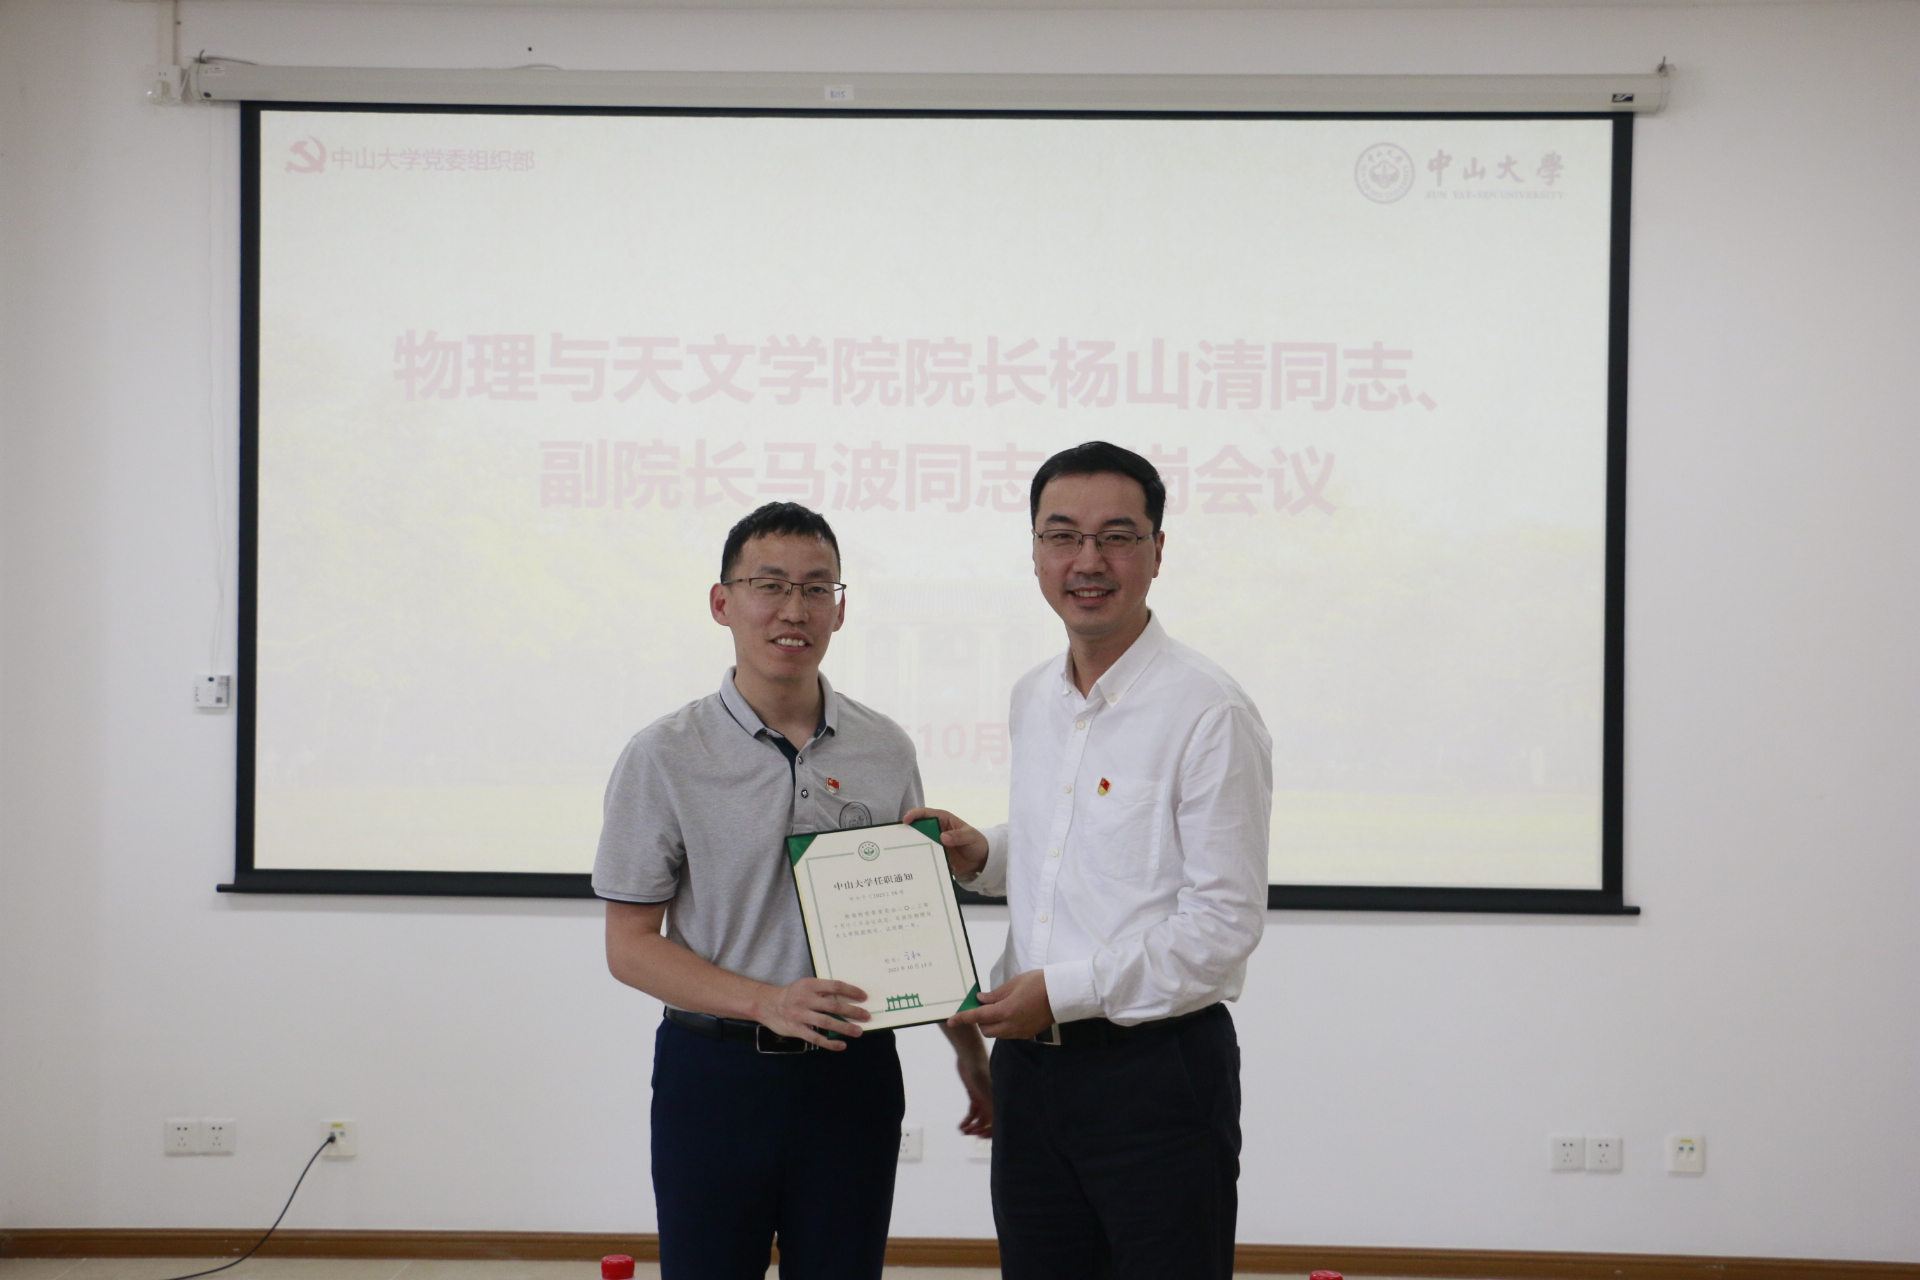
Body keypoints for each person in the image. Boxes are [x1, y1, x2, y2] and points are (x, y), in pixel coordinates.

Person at [594, 501, 992, 1280]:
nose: (794, 609)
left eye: (816, 588)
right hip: (715, 1076)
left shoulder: (884, 747)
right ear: (723, 602)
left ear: (839, 609)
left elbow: (914, 923)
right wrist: (767, 1002)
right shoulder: (663, 754)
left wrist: (970, 1055)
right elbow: (629, 947)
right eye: (769, 585)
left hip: (854, 1075)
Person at [908, 441, 1273, 1280]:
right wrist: (984, 853)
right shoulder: (1035, 695)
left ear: (1157, 551)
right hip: (1029, 1071)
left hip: (1155, 1073)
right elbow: (1072, 844)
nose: (1088, 561)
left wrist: (1060, 992)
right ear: (1035, 550)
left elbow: (1222, 927)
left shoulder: (1208, 710)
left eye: (1116, 536)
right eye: (1063, 536)